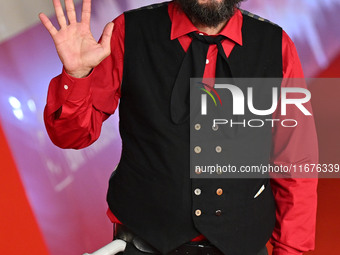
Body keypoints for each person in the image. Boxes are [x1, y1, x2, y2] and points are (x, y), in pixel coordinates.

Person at [39, 0, 319, 254]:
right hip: (143, 243)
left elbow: (296, 162)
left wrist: (291, 250)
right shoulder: (128, 32)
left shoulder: (275, 45)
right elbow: (72, 136)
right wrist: (77, 76)